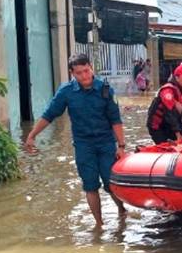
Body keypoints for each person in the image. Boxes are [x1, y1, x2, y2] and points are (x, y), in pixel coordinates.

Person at [24, 54, 127, 228]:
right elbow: (50, 115)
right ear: (72, 73)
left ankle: (121, 209)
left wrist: (121, 146)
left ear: (91, 67)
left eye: (87, 71)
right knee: (90, 185)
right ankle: (99, 224)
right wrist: (32, 135)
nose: (85, 76)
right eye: (79, 73)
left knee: (111, 183)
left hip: (105, 143)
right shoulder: (66, 92)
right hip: (83, 145)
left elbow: (115, 120)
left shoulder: (105, 90)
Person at [146, 62, 182, 143]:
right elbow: (169, 114)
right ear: (177, 78)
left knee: (179, 140)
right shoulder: (168, 91)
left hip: (168, 125)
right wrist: (178, 134)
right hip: (157, 127)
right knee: (167, 146)